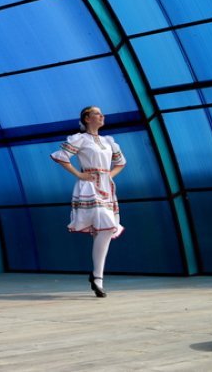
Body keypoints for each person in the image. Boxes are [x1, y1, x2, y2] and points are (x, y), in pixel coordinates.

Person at [50, 105, 126, 298]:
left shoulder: (108, 141)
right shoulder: (81, 139)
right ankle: (97, 277)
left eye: (101, 114)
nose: (102, 116)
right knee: (107, 226)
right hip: (89, 186)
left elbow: (121, 162)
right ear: (87, 118)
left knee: (104, 229)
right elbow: (61, 156)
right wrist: (79, 174)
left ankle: (97, 276)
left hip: (106, 187)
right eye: (97, 114)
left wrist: (109, 176)